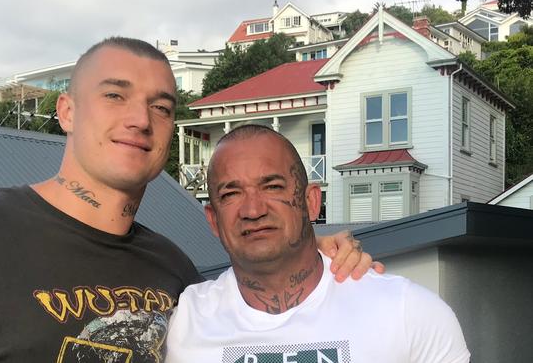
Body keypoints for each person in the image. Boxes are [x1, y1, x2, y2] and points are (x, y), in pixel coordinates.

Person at [0, 38, 377, 362]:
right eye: (115, 96)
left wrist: (318, 257)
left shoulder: (175, 272)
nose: (140, 119)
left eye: (160, 107)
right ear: (67, 110)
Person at [166, 125, 471, 363]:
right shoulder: (181, 323)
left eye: (272, 187)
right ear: (213, 219)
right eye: (231, 194)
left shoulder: (409, 313)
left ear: (311, 201)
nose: (253, 210)